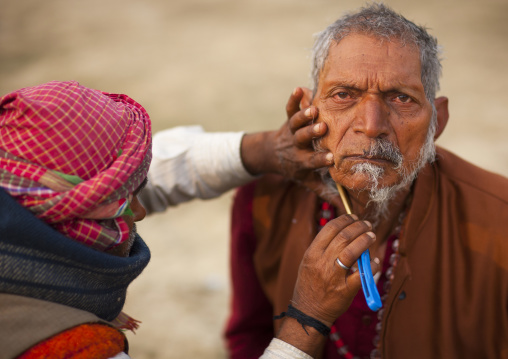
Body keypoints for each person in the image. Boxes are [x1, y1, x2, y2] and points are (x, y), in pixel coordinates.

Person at [0, 80, 372, 359]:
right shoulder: (69, 349)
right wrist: (307, 319)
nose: (141, 210)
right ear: (69, 209)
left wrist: (264, 150)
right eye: (121, 202)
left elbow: (151, 174)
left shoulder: (18, 191)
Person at [226, 3, 508, 359]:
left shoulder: (500, 218)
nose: (371, 125)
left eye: (401, 98)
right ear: (309, 112)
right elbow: (248, 340)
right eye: (344, 95)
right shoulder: (262, 200)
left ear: (438, 121)